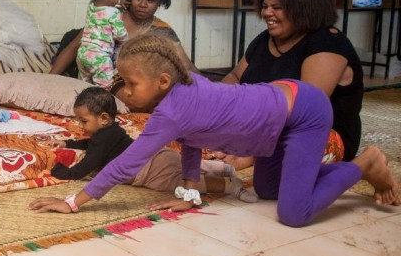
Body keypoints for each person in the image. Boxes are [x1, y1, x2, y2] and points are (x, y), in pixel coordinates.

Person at [30, 32, 399, 227]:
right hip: (279, 109)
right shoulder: (183, 85)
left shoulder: (172, 109)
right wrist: (191, 193)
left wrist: (72, 202)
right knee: (268, 189)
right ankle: (316, 174)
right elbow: (192, 141)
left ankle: (364, 164)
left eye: (130, 83)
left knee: (294, 214)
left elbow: (128, 163)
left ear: (161, 80)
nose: (124, 92)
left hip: (304, 110)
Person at [222, 0, 364, 167]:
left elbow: (304, 111)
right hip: (257, 128)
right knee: (183, 138)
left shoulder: (327, 43)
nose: (267, 13)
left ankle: (366, 165)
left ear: (303, 7)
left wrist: (252, 154)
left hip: (315, 134)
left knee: (290, 162)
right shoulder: (264, 40)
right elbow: (235, 78)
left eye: (277, 7)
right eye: (265, 6)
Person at [47, 86, 255, 202]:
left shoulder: (102, 139)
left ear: (103, 118)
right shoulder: (110, 132)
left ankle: (229, 186)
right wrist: (68, 142)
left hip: (149, 171)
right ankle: (224, 168)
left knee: (181, 184)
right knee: (184, 167)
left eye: (83, 121)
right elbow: (91, 145)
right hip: (159, 155)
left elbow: (88, 165)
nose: (80, 125)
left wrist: (63, 172)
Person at [50, 0, 193, 104]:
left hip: (134, 89)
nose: (143, 4)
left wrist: (208, 90)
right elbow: (74, 46)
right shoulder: (109, 15)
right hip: (103, 84)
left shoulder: (162, 30)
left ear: (159, 3)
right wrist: (48, 79)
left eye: (150, 1)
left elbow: (185, 65)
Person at [75, 0, 128, 87]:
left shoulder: (91, 6)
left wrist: (118, 2)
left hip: (83, 54)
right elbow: (120, 35)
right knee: (105, 89)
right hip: (99, 58)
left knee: (85, 88)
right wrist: (129, 39)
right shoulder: (114, 13)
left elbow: (105, 7)